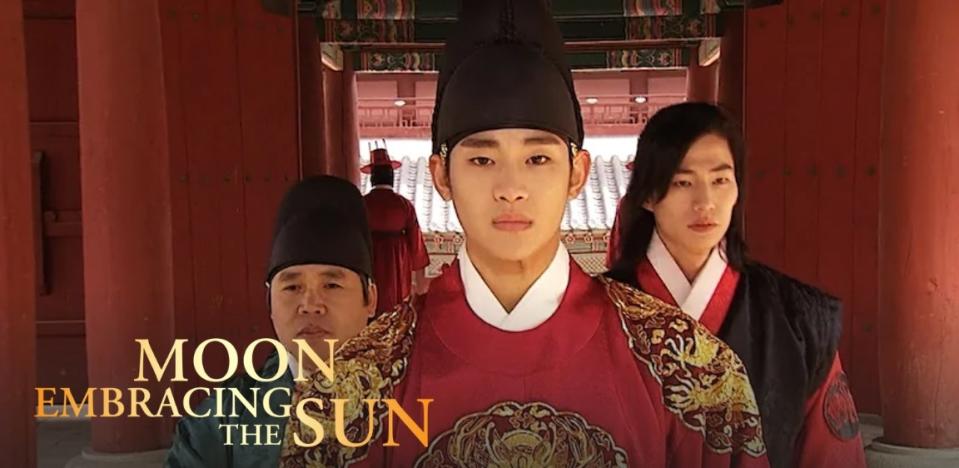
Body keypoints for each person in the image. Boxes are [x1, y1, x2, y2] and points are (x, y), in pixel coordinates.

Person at [281, 2, 769, 467]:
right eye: (481, 159)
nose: (510, 188)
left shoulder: (688, 367)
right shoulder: (351, 385)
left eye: (538, 159)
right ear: (441, 176)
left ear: (577, 172)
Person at [605, 102, 865, 468]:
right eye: (682, 182)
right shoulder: (597, 314)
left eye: (720, 180)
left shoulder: (799, 320)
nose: (705, 202)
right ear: (647, 195)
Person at [165, 176, 379, 467]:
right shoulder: (223, 417)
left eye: (332, 286)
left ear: (371, 299)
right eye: (292, 287)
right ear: (269, 303)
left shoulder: (418, 403)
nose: (311, 306)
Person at [361, 147, 431, 315]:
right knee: (396, 307)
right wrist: (420, 287)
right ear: (391, 177)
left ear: (372, 178)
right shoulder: (404, 205)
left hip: (369, 259)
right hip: (397, 262)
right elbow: (416, 246)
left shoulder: (361, 204)